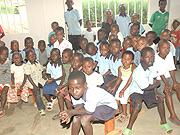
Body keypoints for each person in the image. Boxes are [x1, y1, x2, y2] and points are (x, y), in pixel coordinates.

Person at [123, 47, 172, 135]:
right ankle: (129, 127)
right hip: (137, 91)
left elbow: (154, 79)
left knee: (160, 100)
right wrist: (156, 84)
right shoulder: (139, 71)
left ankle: (163, 122)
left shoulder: (153, 66)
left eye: (152, 57)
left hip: (148, 88)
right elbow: (145, 87)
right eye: (147, 57)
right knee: (138, 104)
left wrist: (156, 92)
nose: (150, 59)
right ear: (141, 58)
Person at [60, 71, 117, 135]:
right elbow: (78, 108)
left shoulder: (91, 93)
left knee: (84, 119)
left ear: (85, 85)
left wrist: (71, 112)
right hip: (95, 105)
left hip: (108, 106)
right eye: (71, 88)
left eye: (77, 88)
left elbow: (89, 111)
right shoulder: (74, 93)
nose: (74, 91)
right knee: (76, 116)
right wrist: (69, 113)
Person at [154, 39, 180, 126]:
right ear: (158, 49)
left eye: (168, 48)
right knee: (167, 91)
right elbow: (160, 74)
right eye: (164, 48)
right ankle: (173, 115)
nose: (167, 50)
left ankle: (174, 85)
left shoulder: (168, 55)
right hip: (159, 80)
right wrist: (167, 85)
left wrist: (174, 81)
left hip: (168, 78)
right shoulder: (155, 58)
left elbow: (171, 69)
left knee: (177, 87)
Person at [23, 49, 46, 116]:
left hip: (39, 80)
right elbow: (29, 77)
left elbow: (41, 70)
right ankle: (41, 108)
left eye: (33, 55)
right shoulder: (27, 66)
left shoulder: (37, 63)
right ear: (26, 58)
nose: (32, 57)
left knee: (48, 86)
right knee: (37, 94)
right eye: (30, 56)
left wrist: (44, 76)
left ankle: (51, 99)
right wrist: (34, 86)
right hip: (32, 83)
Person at [115, 51, 135, 123]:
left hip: (131, 84)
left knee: (123, 96)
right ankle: (116, 110)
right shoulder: (120, 68)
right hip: (123, 83)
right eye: (124, 58)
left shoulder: (132, 68)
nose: (125, 60)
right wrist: (114, 87)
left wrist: (123, 90)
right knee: (116, 96)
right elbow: (119, 79)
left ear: (132, 61)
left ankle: (124, 114)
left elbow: (130, 80)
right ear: (121, 59)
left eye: (128, 59)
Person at [52, 49, 73, 120]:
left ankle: (71, 114)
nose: (63, 59)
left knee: (66, 98)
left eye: (65, 57)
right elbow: (64, 77)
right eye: (63, 57)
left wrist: (63, 86)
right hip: (65, 83)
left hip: (70, 84)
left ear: (70, 58)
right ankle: (62, 113)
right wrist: (60, 86)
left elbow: (70, 79)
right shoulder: (63, 65)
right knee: (59, 95)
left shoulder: (71, 66)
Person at [0, 46, 11, 118]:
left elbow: (9, 75)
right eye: (2, 54)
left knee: (4, 92)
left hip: (7, 81)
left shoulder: (8, 63)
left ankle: (1, 109)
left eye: (6, 55)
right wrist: (1, 72)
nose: (4, 56)